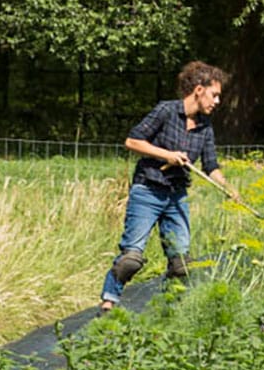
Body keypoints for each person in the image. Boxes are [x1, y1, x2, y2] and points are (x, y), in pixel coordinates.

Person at [98, 61, 237, 312]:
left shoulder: (205, 128)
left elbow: (211, 166)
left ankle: (167, 308)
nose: (217, 101)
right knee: (131, 259)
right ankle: (109, 301)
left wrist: (228, 188)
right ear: (198, 89)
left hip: (177, 197)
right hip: (148, 191)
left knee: (181, 263)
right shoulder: (166, 111)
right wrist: (167, 155)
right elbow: (132, 141)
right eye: (214, 94)